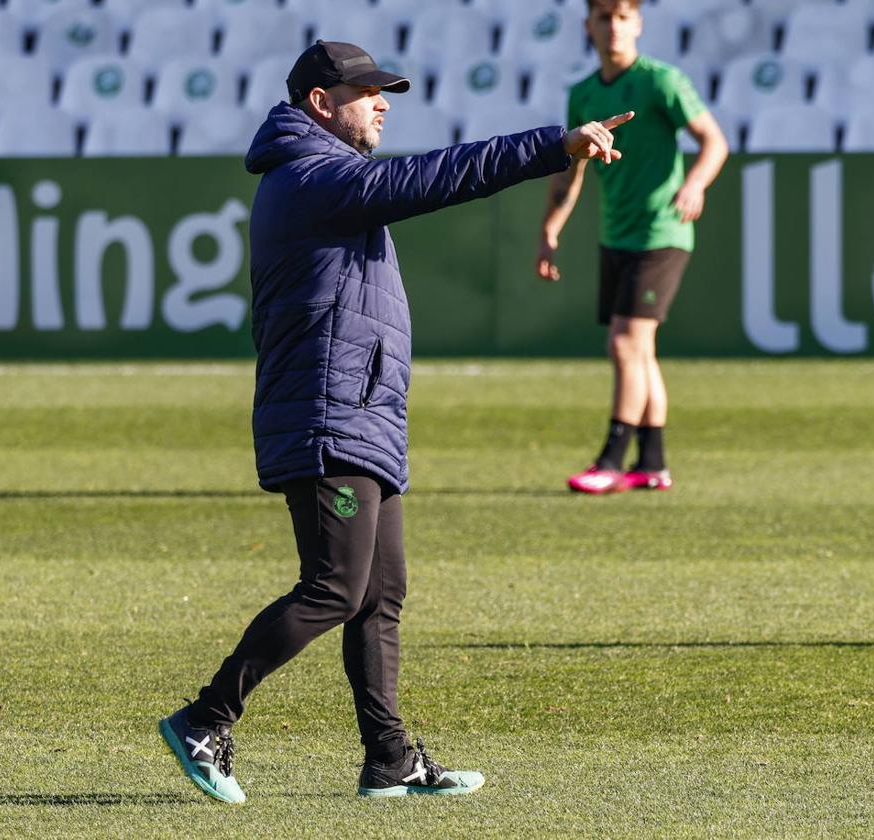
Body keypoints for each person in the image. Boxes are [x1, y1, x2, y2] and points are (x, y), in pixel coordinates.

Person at [158, 39, 635, 803]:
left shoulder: (320, 176)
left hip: (359, 410)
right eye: (368, 91)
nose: (383, 102)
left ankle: (390, 761)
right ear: (321, 102)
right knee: (335, 587)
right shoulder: (312, 175)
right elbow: (436, 177)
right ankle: (205, 719)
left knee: (379, 594)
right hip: (328, 412)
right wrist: (551, 145)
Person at [537, 0, 729, 494]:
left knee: (624, 343)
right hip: (616, 232)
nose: (614, 27)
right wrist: (551, 228)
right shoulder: (582, 94)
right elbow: (571, 169)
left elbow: (714, 141)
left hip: (661, 232)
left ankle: (612, 460)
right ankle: (654, 462)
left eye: (624, 17)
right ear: (589, 26)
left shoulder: (661, 81)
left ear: (638, 23)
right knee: (640, 351)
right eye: (605, 17)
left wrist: (696, 185)